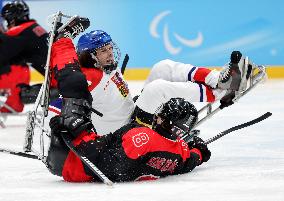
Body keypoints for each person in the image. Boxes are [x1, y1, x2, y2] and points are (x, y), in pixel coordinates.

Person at [47, 28, 248, 135]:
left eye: (109, 48)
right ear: (89, 56)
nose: (109, 54)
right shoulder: (89, 76)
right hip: (123, 132)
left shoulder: (106, 67)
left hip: (133, 113)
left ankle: (219, 81)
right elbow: (65, 82)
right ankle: (223, 92)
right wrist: (61, 40)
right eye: (102, 51)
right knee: (155, 89)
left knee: (163, 66)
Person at [47, 97, 211, 182]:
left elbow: (112, 169)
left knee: (71, 101)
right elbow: (191, 160)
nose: (157, 118)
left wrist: (79, 131)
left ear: (169, 124)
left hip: (72, 160)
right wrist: (199, 150)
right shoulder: (180, 152)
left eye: (161, 116)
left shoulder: (143, 137)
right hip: (76, 162)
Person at [0, 0, 48, 112]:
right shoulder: (33, 28)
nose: (7, 24)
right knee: (17, 63)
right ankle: (13, 101)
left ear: (13, 18)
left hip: (54, 80)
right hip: (56, 75)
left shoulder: (19, 32)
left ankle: (14, 102)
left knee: (15, 65)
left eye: (7, 20)